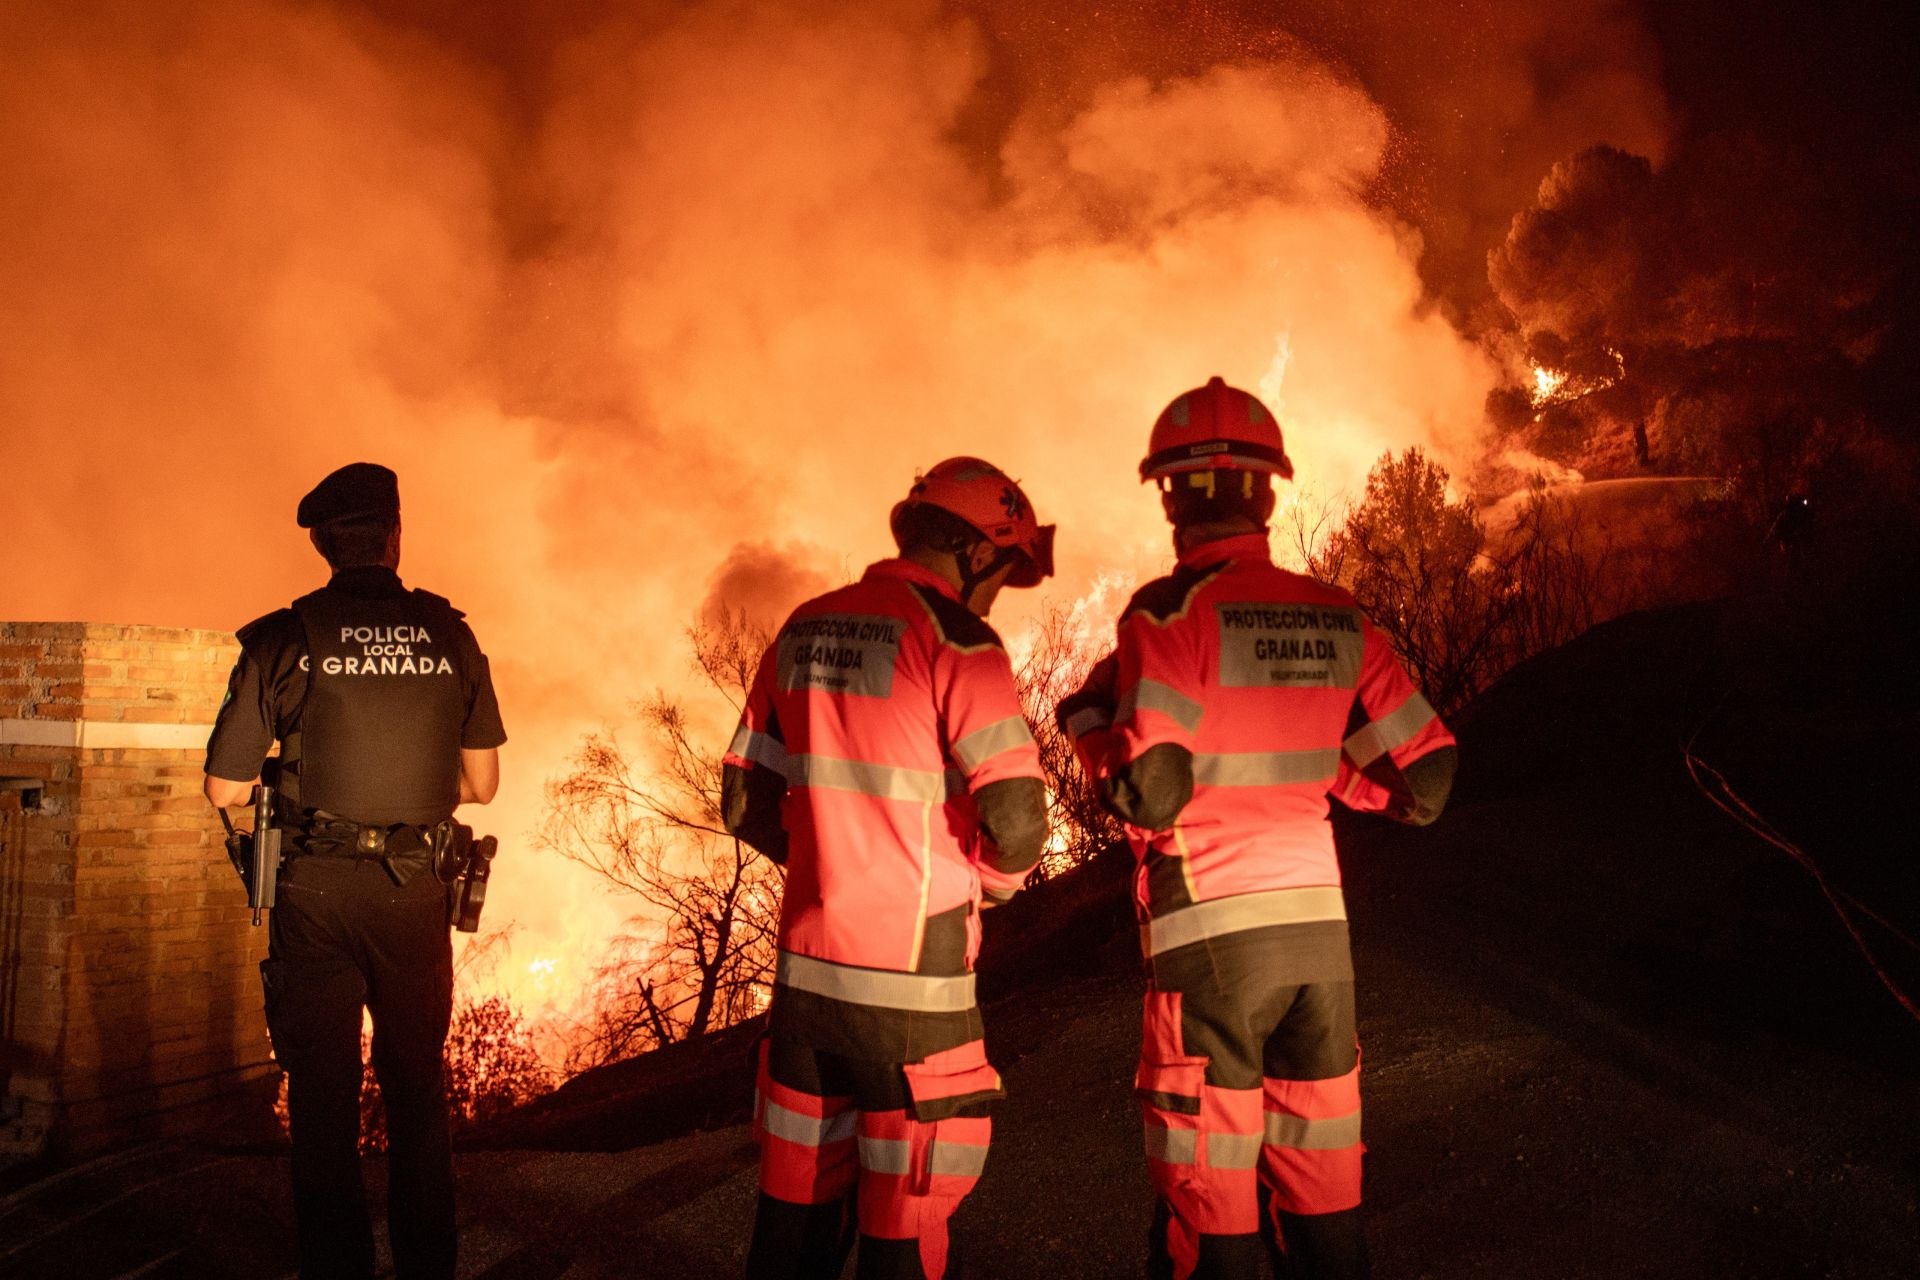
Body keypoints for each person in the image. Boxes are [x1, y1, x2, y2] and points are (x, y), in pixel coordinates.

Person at [1057, 379, 1457, 1280]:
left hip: (1211, 955)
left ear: (1170, 500)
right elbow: (1426, 782)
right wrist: (1334, 773)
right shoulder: (1340, 616)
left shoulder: (1168, 613)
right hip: (1319, 952)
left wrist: (1086, 726)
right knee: (1325, 1211)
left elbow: (1150, 792)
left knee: (1213, 1214)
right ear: (1270, 494)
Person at [723, 457, 1054, 1280]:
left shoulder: (803, 627)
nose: (997, 594)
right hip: (915, 996)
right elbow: (1019, 823)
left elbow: (741, 800)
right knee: (902, 1229)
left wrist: (832, 862)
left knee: (790, 1226)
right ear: (976, 551)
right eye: (1002, 572)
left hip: (806, 991)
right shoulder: (959, 641)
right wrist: (987, 889)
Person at [203, 462, 505, 1280]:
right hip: (415, 894)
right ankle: (428, 1267)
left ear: (323, 547)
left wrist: (299, 778)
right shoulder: (450, 635)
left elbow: (224, 788)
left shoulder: (284, 637)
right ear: (394, 537)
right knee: (417, 1092)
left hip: (315, 896)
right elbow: (481, 785)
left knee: (322, 1098)